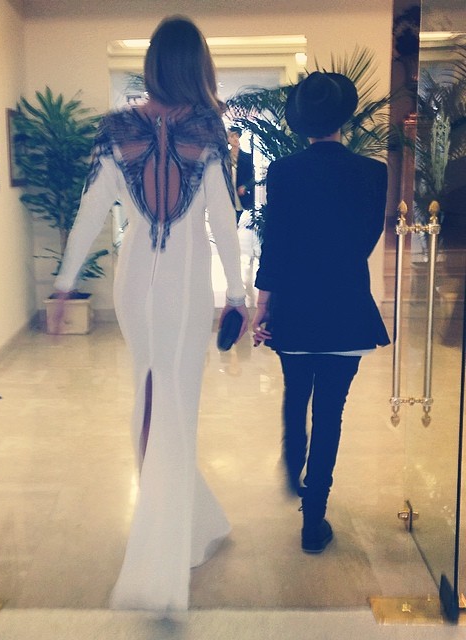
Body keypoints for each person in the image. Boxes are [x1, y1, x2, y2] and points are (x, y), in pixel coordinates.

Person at [52, 15, 248, 611]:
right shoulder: (208, 131)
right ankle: (166, 537)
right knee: (176, 402)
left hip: (135, 283)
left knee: (148, 392)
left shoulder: (115, 130)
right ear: (198, 65)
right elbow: (223, 222)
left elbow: (90, 213)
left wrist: (63, 286)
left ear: (153, 64)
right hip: (185, 288)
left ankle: (175, 516)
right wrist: (236, 294)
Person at [251, 71, 390, 554]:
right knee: (331, 413)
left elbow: (275, 241)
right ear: (343, 118)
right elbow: (368, 237)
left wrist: (263, 304)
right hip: (346, 306)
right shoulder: (374, 173)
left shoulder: (284, 172)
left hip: (294, 306)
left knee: (296, 393)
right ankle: (314, 520)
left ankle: (294, 460)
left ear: (302, 123)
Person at [227, 126, 255, 224]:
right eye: (232, 136)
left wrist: (245, 187)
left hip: (239, 197)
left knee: (235, 221)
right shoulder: (224, 157)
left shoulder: (246, 157)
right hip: (225, 196)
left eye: (237, 136)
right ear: (228, 139)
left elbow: (252, 178)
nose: (235, 139)